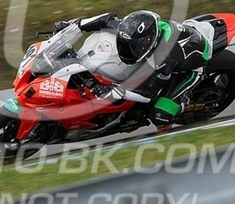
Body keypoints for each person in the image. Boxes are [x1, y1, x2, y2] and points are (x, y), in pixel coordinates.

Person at [53, 10, 212, 130]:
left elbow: (147, 92)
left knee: (160, 116)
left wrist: (115, 91)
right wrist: (71, 26)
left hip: (193, 68)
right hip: (169, 49)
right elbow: (106, 19)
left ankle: (183, 101)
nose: (126, 50)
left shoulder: (164, 57)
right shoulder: (129, 29)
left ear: (149, 43)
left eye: (134, 48)